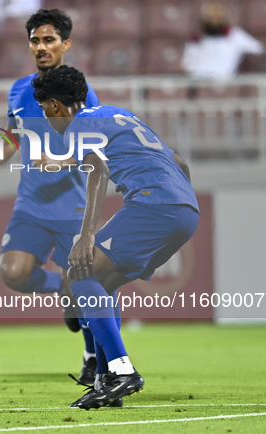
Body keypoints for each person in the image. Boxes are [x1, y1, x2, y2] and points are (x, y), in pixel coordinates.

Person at [32, 65, 199, 409]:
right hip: (186, 210)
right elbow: (179, 163)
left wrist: (86, 235)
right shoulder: (116, 114)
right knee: (100, 285)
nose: (46, 118)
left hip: (154, 205)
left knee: (79, 272)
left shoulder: (77, 126)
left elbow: (99, 170)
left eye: (44, 110)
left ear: (55, 106)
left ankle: (120, 372)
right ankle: (108, 379)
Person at [0, 9, 101, 386]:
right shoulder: (19, 89)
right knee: (14, 272)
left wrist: (60, 161)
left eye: (49, 40)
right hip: (31, 204)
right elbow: (12, 135)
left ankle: (93, 357)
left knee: (87, 287)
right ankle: (61, 288)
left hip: (74, 206)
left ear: (65, 44)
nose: (41, 47)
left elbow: (95, 144)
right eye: (35, 41)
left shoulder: (81, 92)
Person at [182, 2, 264, 79]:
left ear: (223, 18)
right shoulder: (195, 39)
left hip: (225, 85)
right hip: (198, 84)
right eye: (210, 17)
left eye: (217, 17)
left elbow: (259, 49)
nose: (213, 20)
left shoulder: (235, 35)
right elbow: (186, 65)